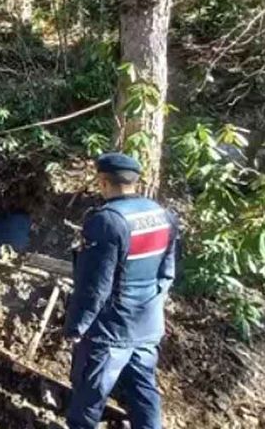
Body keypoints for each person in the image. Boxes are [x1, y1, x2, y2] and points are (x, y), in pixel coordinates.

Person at [64, 153, 180, 429]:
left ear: (103, 181)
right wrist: (151, 304)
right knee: (144, 392)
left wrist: (76, 326)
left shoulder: (106, 221)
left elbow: (95, 287)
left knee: (89, 396)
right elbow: (168, 273)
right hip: (148, 326)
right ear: (135, 181)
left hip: (110, 332)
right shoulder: (163, 216)